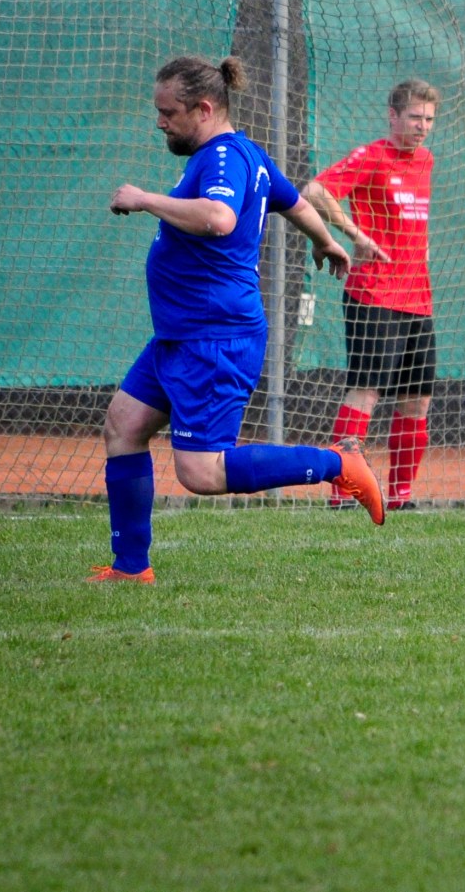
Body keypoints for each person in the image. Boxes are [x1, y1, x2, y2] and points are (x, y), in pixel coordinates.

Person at [92, 56, 384, 583]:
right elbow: (294, 202)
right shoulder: (245, 154)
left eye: (169, 112)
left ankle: (339, 464)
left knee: (202, 473)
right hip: (181, 334)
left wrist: (144, 200)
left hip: (215, 337)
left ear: (204, 109)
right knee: (123, 426)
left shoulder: (223, 160)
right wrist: (326, 242)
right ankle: (131, 567)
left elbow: (220, 219)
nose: (160, 121)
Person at [301, 80, 440, 510]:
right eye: (415, 117)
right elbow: (315, 192)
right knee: (365, 392)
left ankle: (401, 496)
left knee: (417, 399)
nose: (422, 126)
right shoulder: (373, 156)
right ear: (393, 115)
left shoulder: (426, 161)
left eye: (429, 119)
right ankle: (343, 492)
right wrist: (355, 235)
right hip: (373, 294)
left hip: (418, 297)